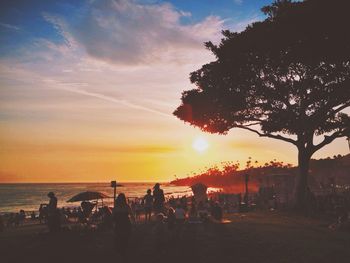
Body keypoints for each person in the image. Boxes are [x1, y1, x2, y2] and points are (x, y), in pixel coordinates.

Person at [113, 193, 135, 258]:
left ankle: (120, 251)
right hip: (126, 224)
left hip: (119, 224)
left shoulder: (116, 206)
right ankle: (123, 251)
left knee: (119, 237)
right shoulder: (127, 206)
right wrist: (134, 222)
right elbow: (131, 215)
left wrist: (113, 224)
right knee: (125, 238)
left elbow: (113, 216)